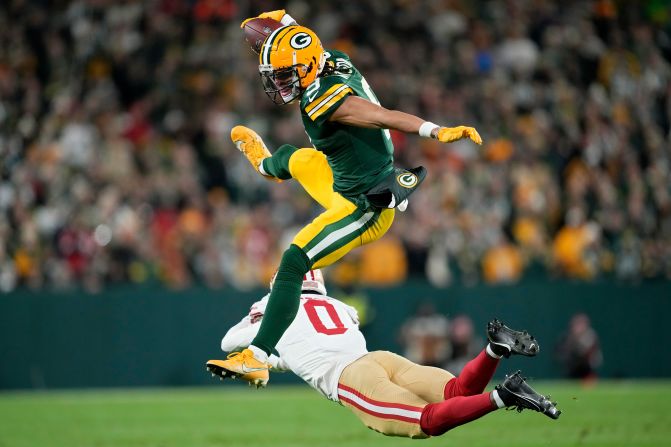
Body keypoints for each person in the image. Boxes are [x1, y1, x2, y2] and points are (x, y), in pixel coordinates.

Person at [214, 9, 483, 379]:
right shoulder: (333, 59)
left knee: (294, 262)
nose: (279, 84)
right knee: (301, 158)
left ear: (306, 69)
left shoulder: (324, 100)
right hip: (343, 182)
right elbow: (293, 33)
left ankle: (257, 357)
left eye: (283, 75)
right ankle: (266, 166)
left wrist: (434, 131)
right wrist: (268, 27)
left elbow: (381, 115)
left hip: (363, 206)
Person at [207, 270, 560, 438]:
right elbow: (303, 349)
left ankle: (503, 395)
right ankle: (493, 350)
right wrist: (271, 361)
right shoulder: (339, 306)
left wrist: (257, 355)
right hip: (380, 359)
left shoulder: (271, 306)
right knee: (457, 394)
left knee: (428, 422)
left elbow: (228, 342)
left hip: (352, 378)